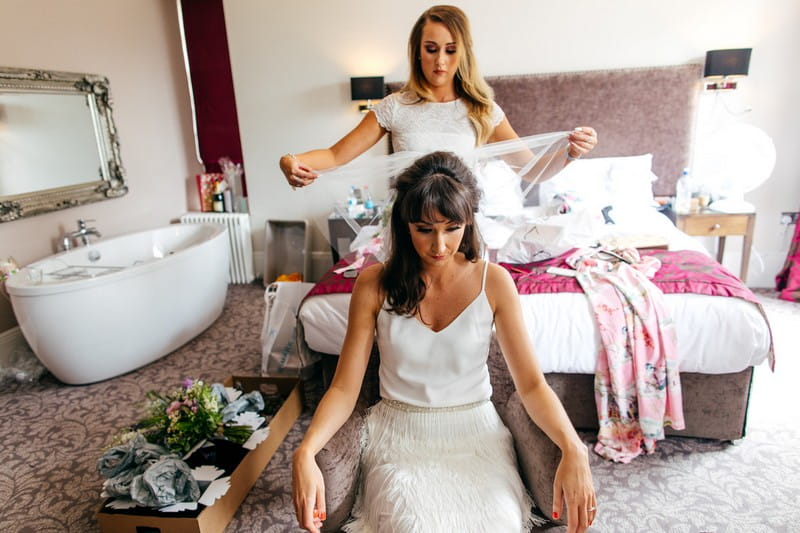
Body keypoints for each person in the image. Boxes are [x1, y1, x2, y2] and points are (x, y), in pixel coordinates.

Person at [292, 151, 596, 533]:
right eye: (424, 229)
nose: (439, 245)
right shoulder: (373, 284)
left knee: (496, 523)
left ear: (468, 223)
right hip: (400, 436)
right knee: (410, 525)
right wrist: (305, 450)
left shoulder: (496, 282)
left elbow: (532, 385)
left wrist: (573, 446)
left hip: (476, 434)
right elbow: (342, 388)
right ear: (404, 226)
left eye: (452, 228)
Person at [279, 4, 598, 190]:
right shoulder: (394, 107)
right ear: (417, 52)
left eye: (450, 50)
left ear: (463, 54)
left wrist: (570, 153)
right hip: (409, 229)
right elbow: (335, 156)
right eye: (431, 50)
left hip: (462, 231)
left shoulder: (483, 111)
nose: (440, 61)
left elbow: (531, 171)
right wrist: (291, 161)